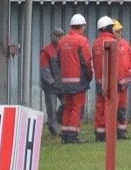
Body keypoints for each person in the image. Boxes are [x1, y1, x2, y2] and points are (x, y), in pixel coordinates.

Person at [57, 13, 92, 144]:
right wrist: (90, 75)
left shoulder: (63, 41)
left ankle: (65, 135)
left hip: (65, 81)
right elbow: (86, 61)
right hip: (78, 80)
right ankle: (72, 135)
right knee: (77, 107)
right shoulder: (81, 41)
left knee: (67, 107)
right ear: (82, 26)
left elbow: (59, 60)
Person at [107, 20, 131, 140]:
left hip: (124, 84)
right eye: (117, 31)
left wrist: (130, 72)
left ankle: (122, 132)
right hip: (114, 84)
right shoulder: (109, 44)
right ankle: (112, 132)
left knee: (122, 108)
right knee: (113, 107)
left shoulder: (125, 44)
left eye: (120, 31)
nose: (119, 33)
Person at [92, 16, 119, 142]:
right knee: (109, 106)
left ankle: (99, 133)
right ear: (109, 27)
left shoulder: (96, 43)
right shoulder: (111, 42)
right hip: (110, 80)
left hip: (98, 80)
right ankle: (108, 134)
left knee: (100, 106)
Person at [39, 27, 64, 136]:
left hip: (62, 84)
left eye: (61, 36)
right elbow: (45, 70)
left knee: (67, 105)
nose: (60, 38)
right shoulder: (46, 51)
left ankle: (57, 121)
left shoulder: (63, 48)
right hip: (50, 86)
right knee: (51, 108)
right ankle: (53, 130)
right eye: (58, 36)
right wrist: (52, 82)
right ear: (52, 37)